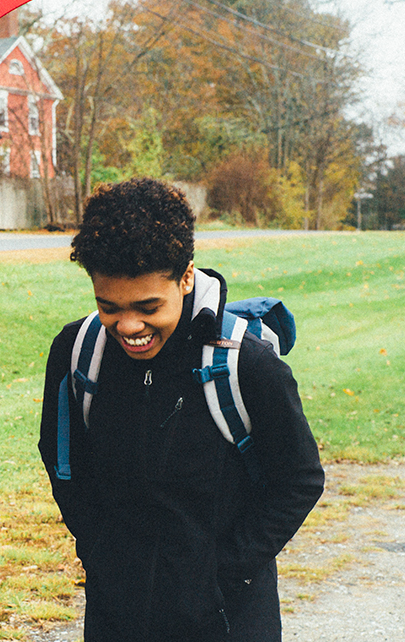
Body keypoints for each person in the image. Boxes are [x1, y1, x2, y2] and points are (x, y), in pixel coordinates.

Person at [38, 178, 325, 641]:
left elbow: (299, 478)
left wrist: (225, 570)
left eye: (148, 306)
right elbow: (63, 461)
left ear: (186, 277)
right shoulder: (77, 351)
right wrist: (96, 547)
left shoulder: (245, 364)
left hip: (227, 615)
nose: (128, 325)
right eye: (108, 306)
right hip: (118, 612)